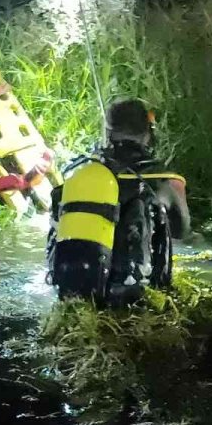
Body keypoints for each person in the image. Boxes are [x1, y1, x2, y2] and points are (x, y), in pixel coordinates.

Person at [48, 99, 189, 307]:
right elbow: (183, 233)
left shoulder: (78, 178)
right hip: (140, 301)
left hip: (78, 296)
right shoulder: (168, 183)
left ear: (108, 132)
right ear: (149, 131)